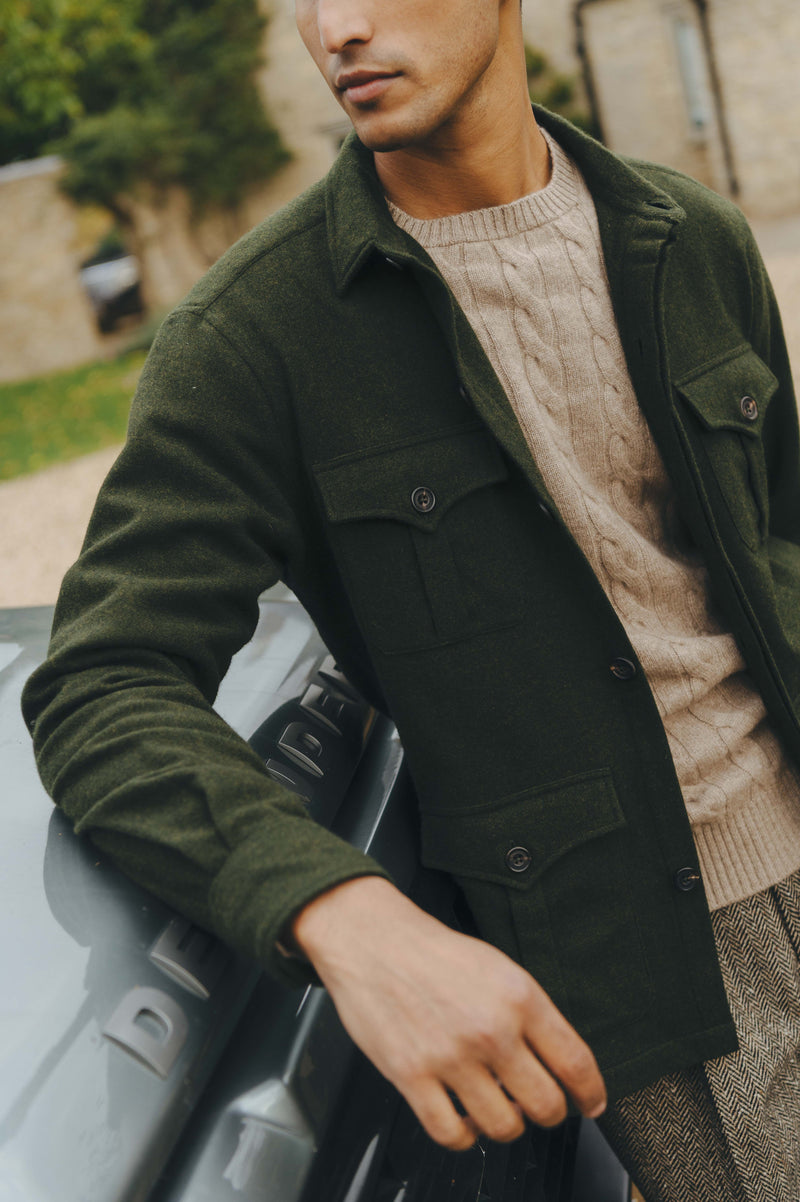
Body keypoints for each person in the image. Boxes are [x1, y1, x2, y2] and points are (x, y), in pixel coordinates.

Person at [22, 0, 800, 1198]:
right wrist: (339, 909)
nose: (337, 28)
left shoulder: (689, 235)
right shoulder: (252, 339)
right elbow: (98, 684)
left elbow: (777, 543)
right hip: (666, 962)